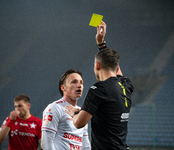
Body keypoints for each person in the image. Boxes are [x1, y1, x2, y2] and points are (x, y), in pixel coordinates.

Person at [65, 21, 134, 150]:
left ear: (97, 65)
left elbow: (79, 123)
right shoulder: (126, 84)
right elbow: (113, 64)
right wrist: (101, 44)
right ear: (117, 67)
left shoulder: (98, 90)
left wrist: (75, 114)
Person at [41, 69, 91, 150]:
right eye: (74, 82)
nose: (79, 85)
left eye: (81, 82)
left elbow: (85, 144)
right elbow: (46, 142)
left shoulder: (82, 112)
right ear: (63, 87)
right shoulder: (53, 108)